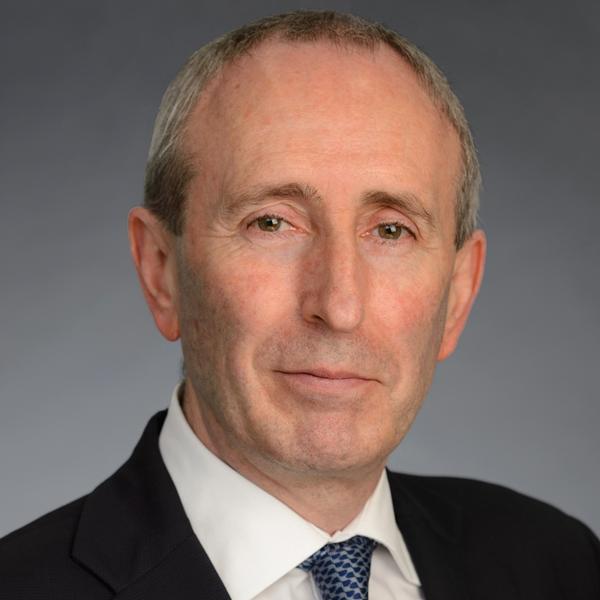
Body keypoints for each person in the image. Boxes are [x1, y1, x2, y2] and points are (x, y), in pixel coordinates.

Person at [1, 10, 598, 600]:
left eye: (391, 231)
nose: (338, 306)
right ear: (162, 271)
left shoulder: (559, 567)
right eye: (271, 223)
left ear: (459, 293)